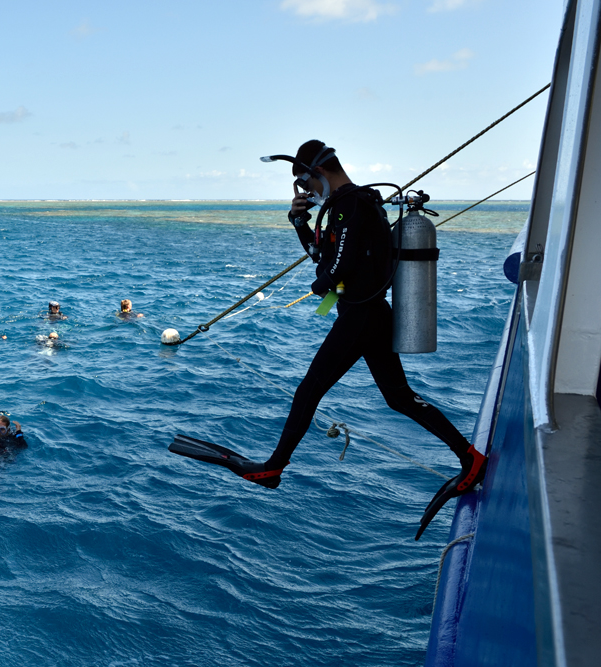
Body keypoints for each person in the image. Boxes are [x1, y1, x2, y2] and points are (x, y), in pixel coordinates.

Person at [174, 140, 486, 513]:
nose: (307, 193)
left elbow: (336, 268)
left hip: (362, 317)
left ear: (318, 172)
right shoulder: (350, 206)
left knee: (309, 390)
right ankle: (470, 457)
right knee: (398, 397)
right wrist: (298, 223)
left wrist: (321, 286)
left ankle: (272, 468)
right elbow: (324, 257)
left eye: (306, 185)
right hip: (369, 313)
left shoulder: (349, 204)